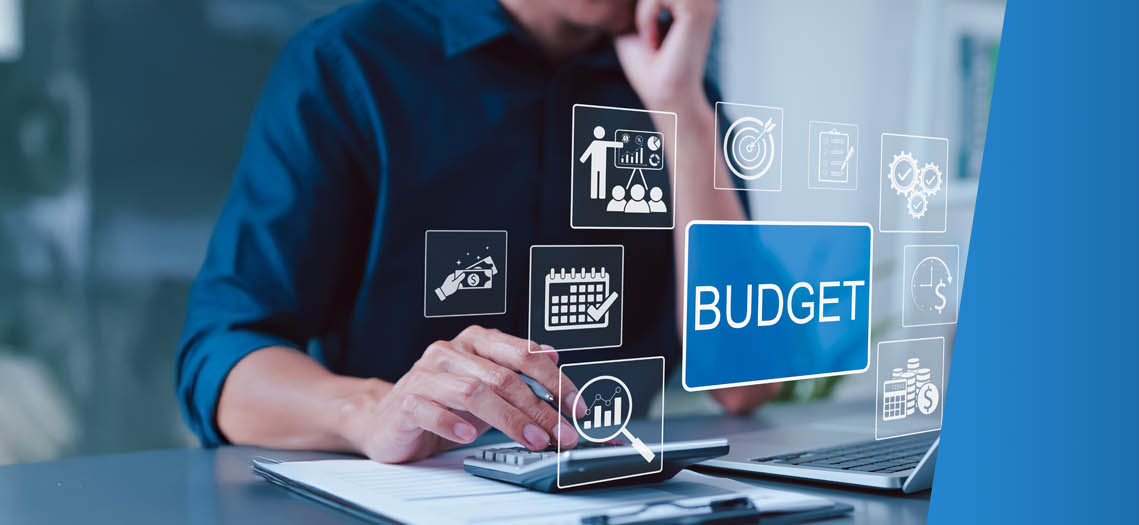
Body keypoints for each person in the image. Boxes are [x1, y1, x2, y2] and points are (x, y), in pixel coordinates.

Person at [175, 0, 779, 465]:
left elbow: (747, 381)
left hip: (613, 495)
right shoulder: (351, 62)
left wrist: (681, 107)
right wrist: (371, 412)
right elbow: (222, 354)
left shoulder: (670, 83)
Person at [578, 125, 622, 199]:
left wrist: (621, 144)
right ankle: (594, 195)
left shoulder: (601, 143)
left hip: (602, 165)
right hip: (595, 165)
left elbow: (613, 144)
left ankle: (600, 195)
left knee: (601, 179)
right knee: (595, 179)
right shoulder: (594, 143)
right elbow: (587, 153)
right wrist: (582, 160)